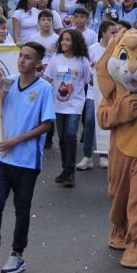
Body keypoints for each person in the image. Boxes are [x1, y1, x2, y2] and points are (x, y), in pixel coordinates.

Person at [0, 42, 55, 273]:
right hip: (1, 155)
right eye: (20, 56)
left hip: (27, 160)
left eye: (28, 57)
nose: (22, 60)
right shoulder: (8, 80)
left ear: (38, 63)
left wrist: (16, 140)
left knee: (21, 208)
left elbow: (47, 124)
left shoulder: (44, 89)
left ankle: (17, 254)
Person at [42, 29, 91, 187]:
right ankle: (65, 169)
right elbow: (47, 79)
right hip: (58, 104)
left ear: (75, 42)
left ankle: (70, 171)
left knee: (70, 135)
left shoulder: (82, 60)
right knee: (62, 137)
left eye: (68, 40)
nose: (64, 42)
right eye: (63, 40)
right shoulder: (55, 58)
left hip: (75, 103)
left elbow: (90, 80)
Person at [77, 19, 118, 171]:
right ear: (103, 33)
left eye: (117, 32)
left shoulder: (117, 49)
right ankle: (87, 157)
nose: (115, 35)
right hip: (93, 93)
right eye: (112, 32)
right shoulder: (92, 49)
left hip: (110, 94)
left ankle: (104, 155)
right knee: (89, 122)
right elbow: (86, 70)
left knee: (105, 122)